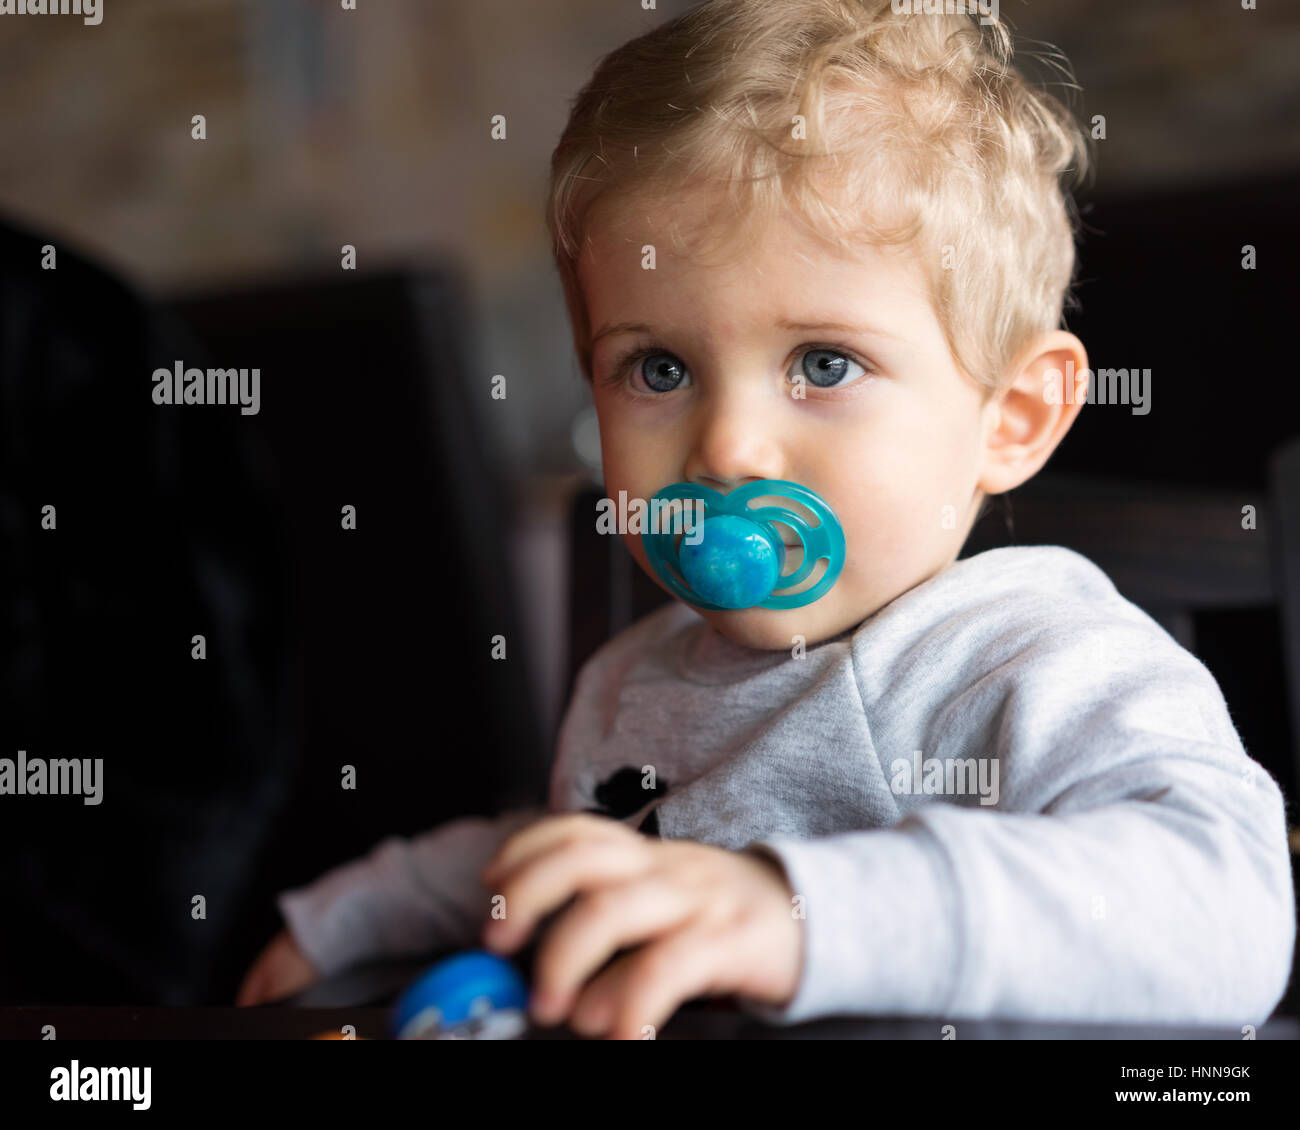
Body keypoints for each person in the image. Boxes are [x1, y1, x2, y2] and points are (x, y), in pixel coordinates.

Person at [236, 0, 1295, 1036]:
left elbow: (1221, 909)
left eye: (823, 363)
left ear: (1008, 419)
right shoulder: (634, 675)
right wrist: (359, 913)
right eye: (658, 367)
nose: (729, 446)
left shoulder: (1023, 657)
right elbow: (594, 854)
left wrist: (791, 907)